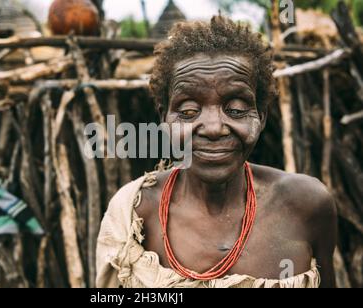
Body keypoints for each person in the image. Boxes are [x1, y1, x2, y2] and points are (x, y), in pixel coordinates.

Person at [96, 15, 337, 288]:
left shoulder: (306, 205)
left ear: (262, 116)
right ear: (165, 119)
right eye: (188, 111)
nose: (213, 128)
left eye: (235, 109)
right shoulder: (134, 213)